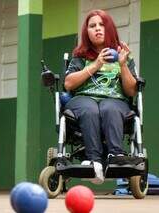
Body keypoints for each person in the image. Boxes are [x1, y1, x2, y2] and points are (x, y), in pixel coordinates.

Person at [64, 9, 137, 184]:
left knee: (108, 107)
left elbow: (131, 91)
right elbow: (68, 84)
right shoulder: (80, 56)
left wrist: (123, 65)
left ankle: (115, 155)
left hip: (115, 100)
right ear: (86, 32)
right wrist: (96, 64)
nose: (97, 29)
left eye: (101, 25)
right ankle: (94, 160)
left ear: (109, 28)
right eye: (92, 26)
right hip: (83, 98)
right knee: (90, 109)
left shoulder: (123, 55)